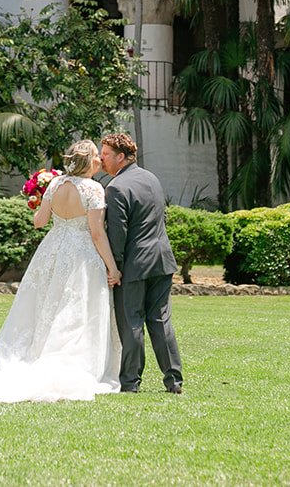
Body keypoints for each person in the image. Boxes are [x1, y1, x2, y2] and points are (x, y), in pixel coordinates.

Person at [0, 139, 122, 403]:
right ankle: (70, 359)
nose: (99, 160)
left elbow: (39, 222)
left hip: (52, 251)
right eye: (96, 155)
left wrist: (38, 200)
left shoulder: (54, 184)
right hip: (81, 255)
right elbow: (97, 234)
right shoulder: (94, 189)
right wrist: (113, 268)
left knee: (48, 305)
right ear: (87, 161)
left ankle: (39, 352)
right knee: (77, 307)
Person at [99, 132, 183, 395]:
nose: (102, 161)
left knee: (132, 321)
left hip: (134, 265)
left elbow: (118, 233)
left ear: (121, 157)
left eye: (106, 156)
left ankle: (130, 382)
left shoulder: (115, 188)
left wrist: (114, 267)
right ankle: (174, 380)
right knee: (160, 319)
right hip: (162, 260)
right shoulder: (151, 178)